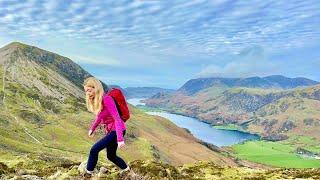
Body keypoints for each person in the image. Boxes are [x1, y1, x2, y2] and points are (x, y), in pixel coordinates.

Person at [82, 77, 130, 178]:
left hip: (117, 130)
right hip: (111, 130)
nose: (88, 93)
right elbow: (100, 116)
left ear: (96, 88)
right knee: (111, 156)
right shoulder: (99, 100)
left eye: (89, 90)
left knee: (94, 149)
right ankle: (127, 170)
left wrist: (120, 139)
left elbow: (117, 118)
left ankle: (88, 173)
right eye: (86, 91)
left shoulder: (107, 99)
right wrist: (92, 128)